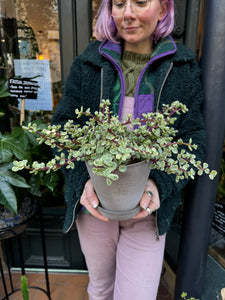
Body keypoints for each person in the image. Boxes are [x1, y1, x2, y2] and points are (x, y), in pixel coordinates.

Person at [51, 0, 206, 299]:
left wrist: (158, 184)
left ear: (163, 10)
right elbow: (63, 126)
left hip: (147, 211)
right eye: (119, 4)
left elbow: (193, 137)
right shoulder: (90, 62)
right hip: (95, 205)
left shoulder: (181, 66)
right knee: (100, 287)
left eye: (140, 2)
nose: (128, 13)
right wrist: (82, 180)